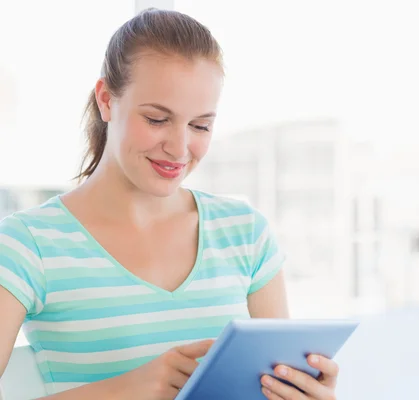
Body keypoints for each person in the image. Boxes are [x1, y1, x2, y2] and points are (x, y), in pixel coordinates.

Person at [0, 8, 340, 400]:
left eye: (200, 126)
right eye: (157, 119)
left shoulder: (245, 233)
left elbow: (273, 382)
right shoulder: (28, 244)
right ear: (107, 99)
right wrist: (129, 388)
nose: (179, 149)